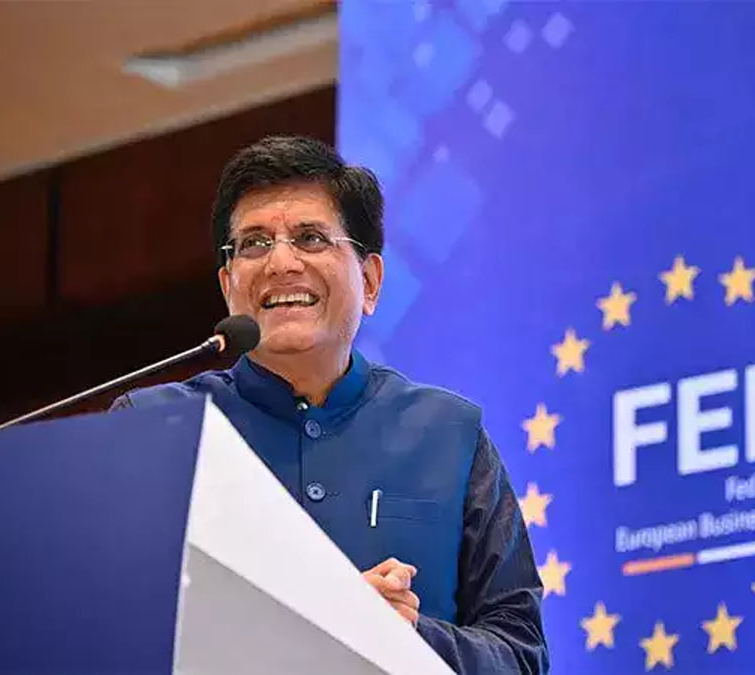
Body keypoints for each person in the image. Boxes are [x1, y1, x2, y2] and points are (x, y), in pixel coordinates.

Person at [112, 136, 549, 673]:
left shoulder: (450, 433)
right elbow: (113, 630)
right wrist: (323, 624)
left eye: (311, 238)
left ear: (370, 281)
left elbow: (521, 654)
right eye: (254, 243)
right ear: (228, 285)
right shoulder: (156, 429)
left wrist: (407, 636)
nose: (280, 262)